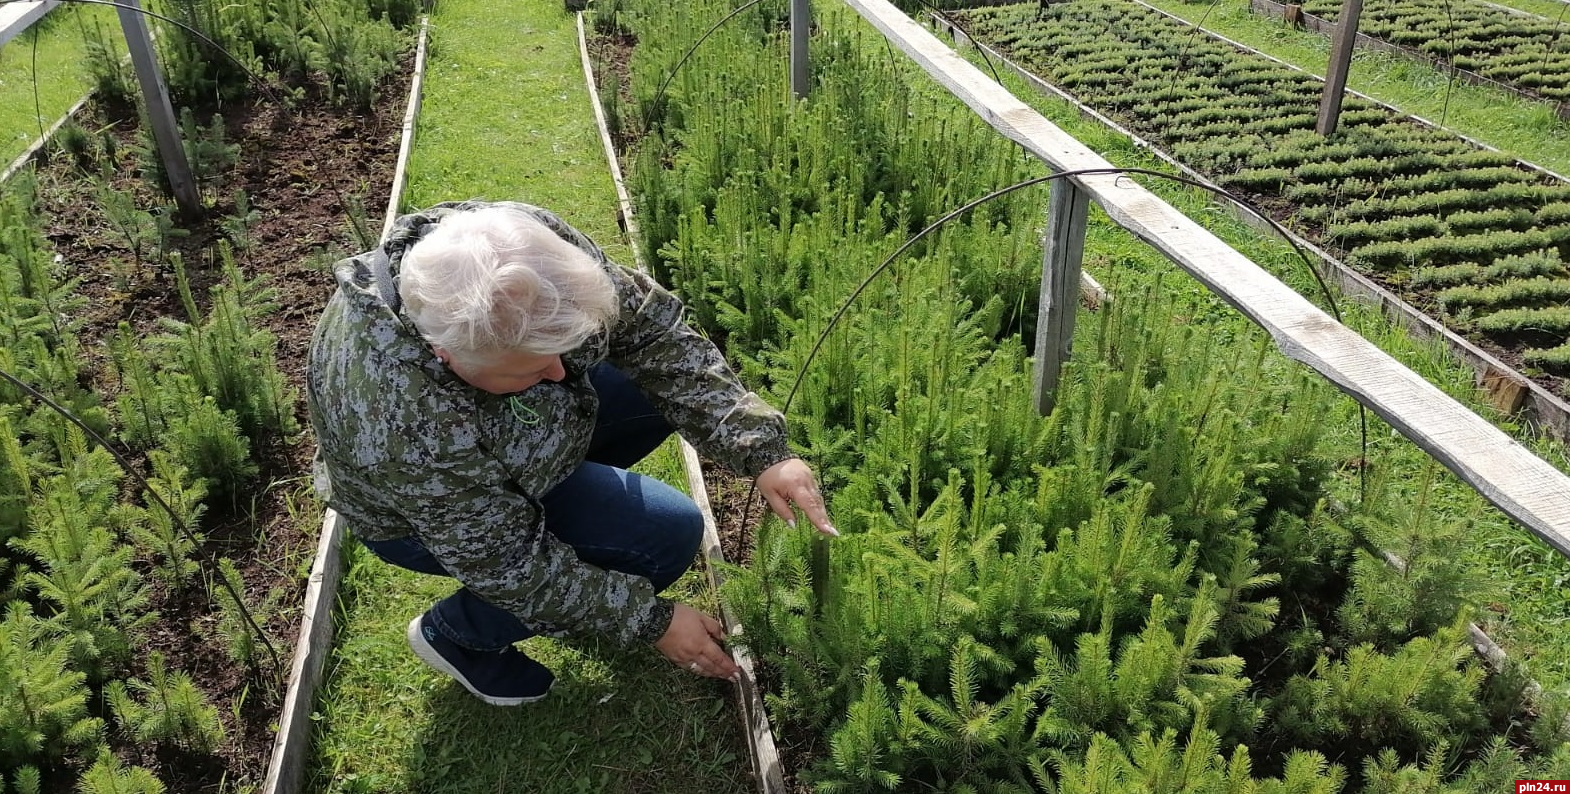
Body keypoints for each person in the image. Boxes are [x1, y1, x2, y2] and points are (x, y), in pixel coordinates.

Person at [306, 200, 835, 706]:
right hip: (422, 522)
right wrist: (651, 620)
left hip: (493, 447)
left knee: (649, 393)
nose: (560, 375)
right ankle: (457, 633)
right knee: (667, 537)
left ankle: (575, 512)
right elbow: (506, 563)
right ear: (447, 356)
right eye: (532, 370)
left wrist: (761, 448)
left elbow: (652, 333)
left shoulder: (514, 249)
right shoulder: (406, 422)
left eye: (557, 357)